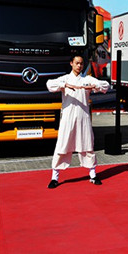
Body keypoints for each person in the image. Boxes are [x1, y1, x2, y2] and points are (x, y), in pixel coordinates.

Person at [46, 55, 110, 189]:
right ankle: (54, 177)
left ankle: (93, 175)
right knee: (62, 145)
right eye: (77, 63)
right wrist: (65, 85)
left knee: (87, 144)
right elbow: (49, 84)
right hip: (68, 118)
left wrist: (95, 86)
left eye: (81, 63)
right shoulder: (65, 78)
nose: (79, 66)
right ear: (71, 64)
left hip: (83, 117)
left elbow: (106, 85)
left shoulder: (86, 79)